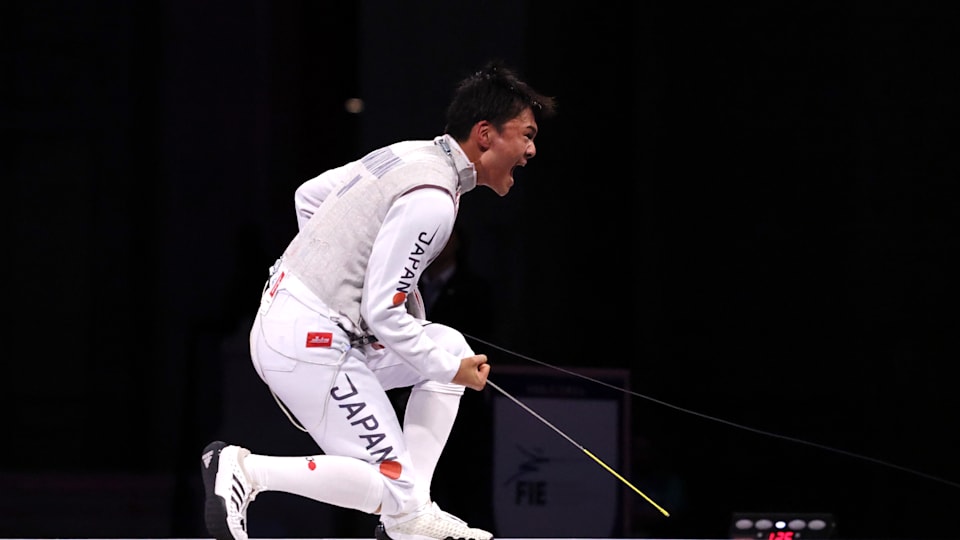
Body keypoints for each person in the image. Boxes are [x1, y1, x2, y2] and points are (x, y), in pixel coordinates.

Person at [200, 59, 556, 540]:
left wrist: (330, 276)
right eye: (527, 134)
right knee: (393, 485)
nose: (532, 149)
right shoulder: (433, 199)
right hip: (308, 342)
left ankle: (411, 518)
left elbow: (310, 197)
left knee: (450, 345)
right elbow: (383, 312)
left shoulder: (410, 155)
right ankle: (246, 470)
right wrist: (449, 373)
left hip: (301, 324)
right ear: (486, 134)